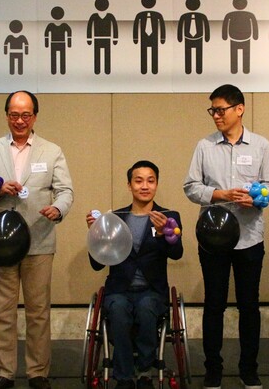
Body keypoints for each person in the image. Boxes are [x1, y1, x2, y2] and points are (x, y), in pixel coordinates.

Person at [0, 91, 74, 389]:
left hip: (39, 238)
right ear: (6, 116)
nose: (20, 121)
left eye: (26, 115)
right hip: (1, 242)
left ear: (35, 117)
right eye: (14, 115)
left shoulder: (51, 151)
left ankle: (38, 373)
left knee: (38, 311)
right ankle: (4, 372)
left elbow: (65, 191)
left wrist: (58, 208)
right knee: (3, 310)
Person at [183, 84, 269, 389]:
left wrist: (257, 199)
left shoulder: (261, 145)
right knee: (214, 304)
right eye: (212, 110)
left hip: (250, 236)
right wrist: (219, 194)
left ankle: (249, 368)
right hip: (213, 238)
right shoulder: (204, 146)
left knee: (249, 305)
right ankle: (213, 369)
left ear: (240, 109)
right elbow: (191, 187)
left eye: (220, 109)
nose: (216, 116)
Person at [86, 161, 183, 389]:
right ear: (129, 185)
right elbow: (97, 264)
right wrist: (95, 235)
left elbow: (177, 253)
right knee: (118, 310)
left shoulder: (169, 216)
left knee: (147, 308)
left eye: (150, 180)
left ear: (157, 184)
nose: (144, 186)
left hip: (152, 291)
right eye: (138, 181)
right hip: (119, 289)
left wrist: (163, 234)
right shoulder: (116, 217)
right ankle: (124, 376)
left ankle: (145, 372)